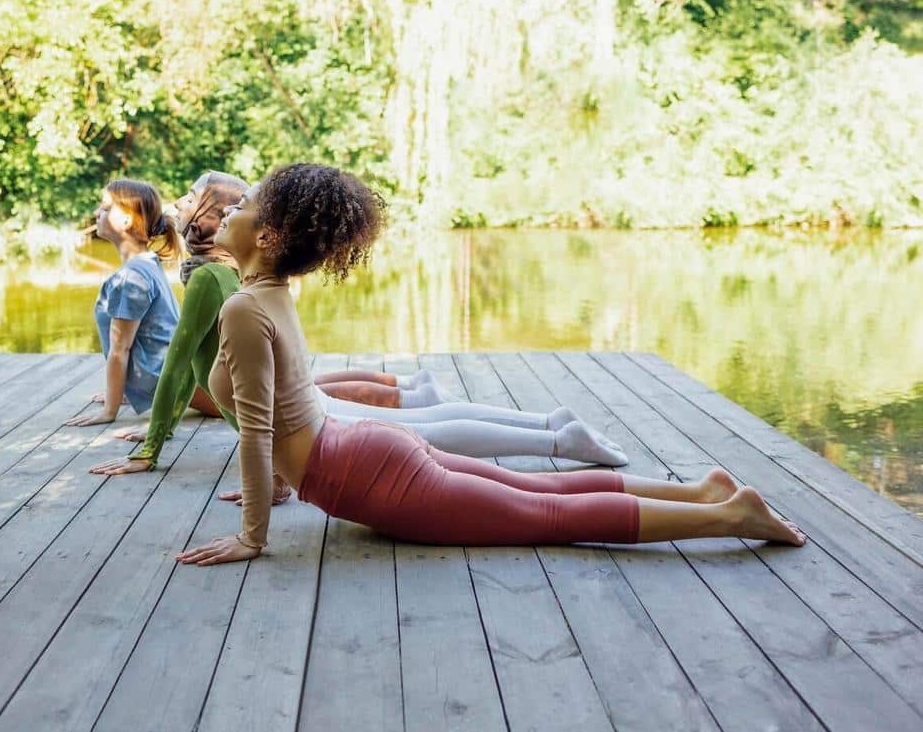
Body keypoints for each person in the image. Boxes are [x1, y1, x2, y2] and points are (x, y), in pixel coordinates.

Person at [174, 163, 807, 567]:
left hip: (361, 472)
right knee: (542, 493)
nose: (227, 209)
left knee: (549, 514)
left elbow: (259, 429)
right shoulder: (268, 296)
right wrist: (279, 485)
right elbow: (277, 409)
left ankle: (729, 515)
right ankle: (700, 493)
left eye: (242, 206)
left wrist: (252, 535)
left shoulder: (244, 307)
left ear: (267, 238)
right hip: (361, 453)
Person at [86, 173, 626, 481]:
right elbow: (197, 373)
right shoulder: (225, 273)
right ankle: (552, 427)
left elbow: (179, 367)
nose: (176, 205)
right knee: (427, 424)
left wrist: (149, 448)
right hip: (296, 416)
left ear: (209, 217)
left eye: (190, 199)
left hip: (301, 425)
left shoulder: (210, 278)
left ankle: (558, 438)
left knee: (428, 432)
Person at [65, 179, 183, 427]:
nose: (97, 213)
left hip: (175, 383)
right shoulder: (147, 263)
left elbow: (120, 351)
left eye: (106, 208)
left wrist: (110, 410)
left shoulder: (131, 277)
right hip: (176, 378)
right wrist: (120, 392)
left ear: (127, 220)